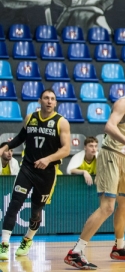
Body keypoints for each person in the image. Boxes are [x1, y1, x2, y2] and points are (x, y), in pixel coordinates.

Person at [65, 71, 125, 270]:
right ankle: (75, 252)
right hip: (110, 156)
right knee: (107, 207)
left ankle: (119, 248)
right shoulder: (123, 103)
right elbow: (109, 127)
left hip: (124, 158)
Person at [0, 89, 70, 259]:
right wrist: (5, 147)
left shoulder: (61, 122)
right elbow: (20, 138)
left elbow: (66, 149)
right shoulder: (30, 118)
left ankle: (28, 239)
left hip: (47, 172)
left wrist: (48, 159)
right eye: (46, 98)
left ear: (56, 103)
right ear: (40, 101)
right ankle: (4, 244)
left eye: (52, 99)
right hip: (28, 168)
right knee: (14, 204)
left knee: (36, 211)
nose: (49, 101)